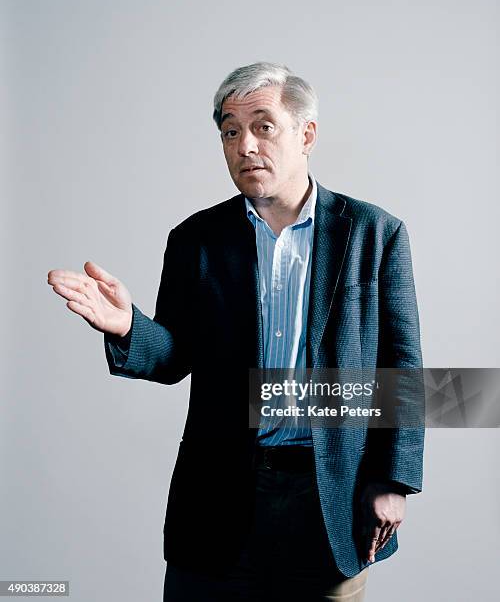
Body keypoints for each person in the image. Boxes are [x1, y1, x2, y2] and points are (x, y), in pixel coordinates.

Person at [47, 62, 424, 601]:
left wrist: (394, 479)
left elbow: (402, 365)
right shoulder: (195, 239)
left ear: (306, 134)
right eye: (230, 131)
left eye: (263, 126)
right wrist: (130, 326)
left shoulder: (375, 233)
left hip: (330, 499)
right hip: (219, 497)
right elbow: (175, 357)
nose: (245, 145)